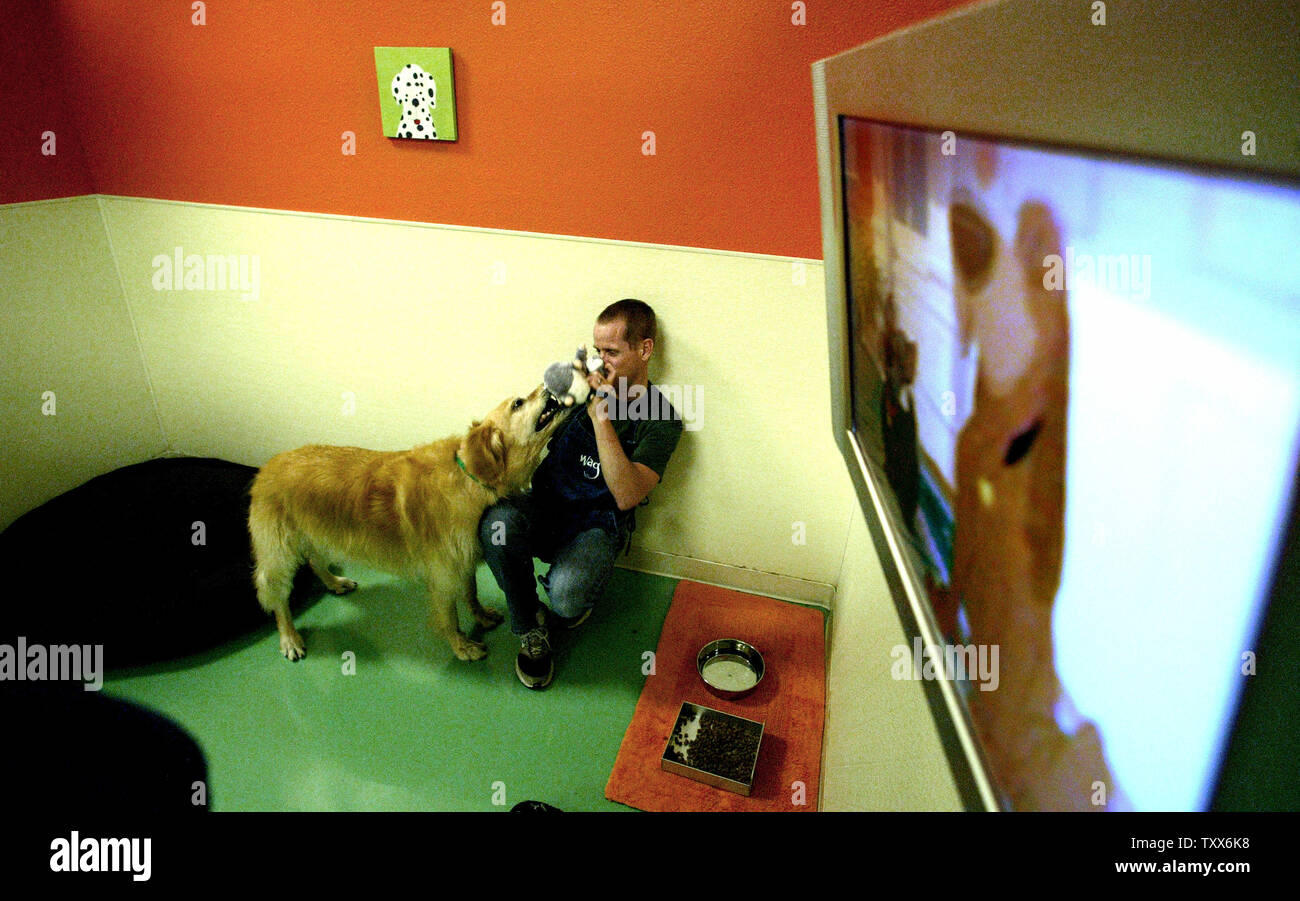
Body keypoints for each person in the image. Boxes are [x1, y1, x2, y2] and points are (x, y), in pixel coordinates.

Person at [478, 299, 684, 689]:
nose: (601, 362)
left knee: (568, 599)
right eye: (597, 351)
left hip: (595, 525)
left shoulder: (662, 419)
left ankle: (569, 592)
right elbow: (525, 433)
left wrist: (601, 415)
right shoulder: (580, 387)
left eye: (612, 352)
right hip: (546, 506)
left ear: (644, 350)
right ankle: (529, 629)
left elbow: (627, 496)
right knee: (495, 523)